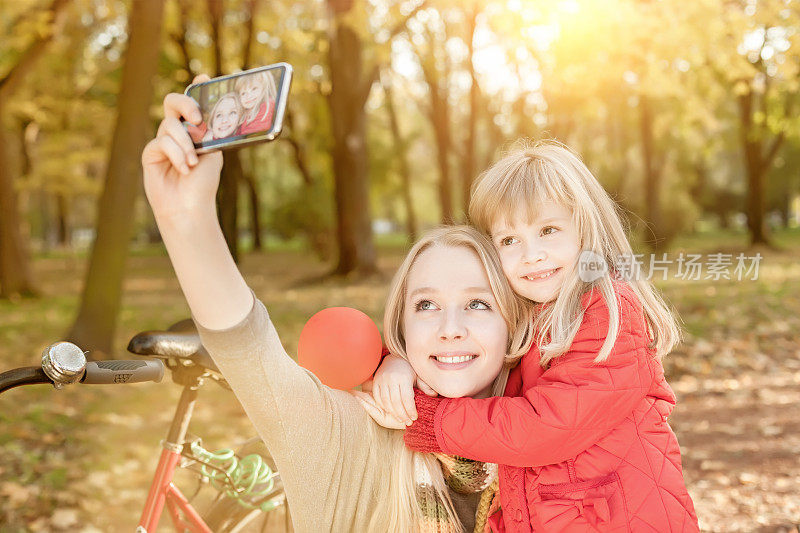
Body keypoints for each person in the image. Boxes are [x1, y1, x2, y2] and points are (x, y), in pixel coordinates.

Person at [141, 75, 533, 532]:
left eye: (478, 305)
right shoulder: (344, 438)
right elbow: (249, 351)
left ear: (514, 323)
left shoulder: (552, 438)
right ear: (401, 333)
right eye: (426, 305)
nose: (450, 327)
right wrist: (186, 219)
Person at [366, 142, 700, 531]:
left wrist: (429, 418)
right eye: (509, 240)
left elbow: (543, 429)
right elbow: (444, 332)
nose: (531, 254)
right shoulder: (531, 307)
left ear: (585, 231)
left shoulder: (606, 312)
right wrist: (398, 359)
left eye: (548, 230)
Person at [234, 70, 276, 136]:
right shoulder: (245, 114)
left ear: (264, 89)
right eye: (243, 93)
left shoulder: (267, 105)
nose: (248, 96)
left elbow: (251, 133)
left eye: (254, 89)